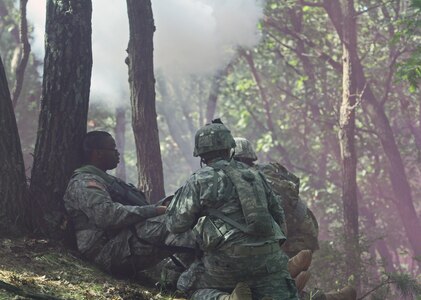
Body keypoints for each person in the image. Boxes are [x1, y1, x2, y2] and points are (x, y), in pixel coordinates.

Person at [166, 120, 298, 300]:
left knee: (186, 286)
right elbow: (280, 219)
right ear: (230, 149)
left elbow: (175, 224)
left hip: (226, 263)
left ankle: (227, 298)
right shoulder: (256, 175)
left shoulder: (198, 179)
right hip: (269, 260)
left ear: (202, 156)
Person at [233, 137, 356, 300]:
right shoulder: (269, 170)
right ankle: (331, 297)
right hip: (306, 230)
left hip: (286, 238)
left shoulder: (243, 180)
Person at [64, 131, 193, 278]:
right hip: (106, 252)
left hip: (122, 241)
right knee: (176, 221)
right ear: (98, 153)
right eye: (112, 149)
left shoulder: (106, 180)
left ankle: (186, 276)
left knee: (185, 216)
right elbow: (106, 216)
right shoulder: (84, 182)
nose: (117, 153)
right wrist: (156, 210)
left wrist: (165, 204)